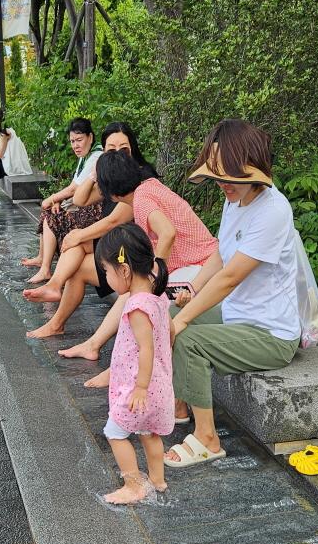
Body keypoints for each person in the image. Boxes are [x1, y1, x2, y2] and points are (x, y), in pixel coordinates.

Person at [164, 119, 303, 466]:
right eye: (219, 176)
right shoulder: (233, 201)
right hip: (239, 313)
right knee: (166, 314)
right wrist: (191, 290)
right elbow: (222, 253)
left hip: (270, 333)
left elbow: (230, 278)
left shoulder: (272, 211)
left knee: (188, 338)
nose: (223, 184)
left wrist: (186, 320)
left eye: (231, 176)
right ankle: (180, 404)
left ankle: (208, 439)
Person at [57, 150, 218, 363]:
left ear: (111, 194)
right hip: (200, 262)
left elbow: (167, 233)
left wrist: (156, 273)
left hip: (200, 267)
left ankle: (111, 358)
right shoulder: (148, 186)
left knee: (139, 297)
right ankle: (94, 346)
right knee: (134, 292)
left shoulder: (141, 199)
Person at [94, 223, 173, 504]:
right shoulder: (157, 297)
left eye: (106, 271)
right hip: (159, 383)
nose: (106, 277)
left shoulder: (137, 305)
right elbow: (169, 334)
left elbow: (146, 348)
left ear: (124, 269)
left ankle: (134, 484)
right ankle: (158, 481)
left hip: (140, 387)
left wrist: (140, 388)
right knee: (148, 433)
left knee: (114, 433)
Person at [22, 118, 102, 282]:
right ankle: (41, 258)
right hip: (83, 204)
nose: (75, 145)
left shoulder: (96, 156)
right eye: (72, 141)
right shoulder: (85, 156)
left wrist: (52, 198)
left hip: (95, 209)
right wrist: (57, 200)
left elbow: (74, 189)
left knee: (51, 216)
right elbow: (75, 185)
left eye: (79, 140)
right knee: (50, 209)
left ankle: (45, 269)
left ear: (91, 137)